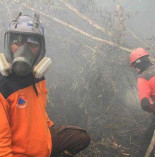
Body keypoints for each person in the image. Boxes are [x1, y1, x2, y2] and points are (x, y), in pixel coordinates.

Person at [0, 13, 90, 157]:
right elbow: (1, 146)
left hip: (41, 143)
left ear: (40, 48)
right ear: (8, 45)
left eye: (32, 45)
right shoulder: (3, 87)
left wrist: (49, 127)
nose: (24, 50)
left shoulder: (38, 77)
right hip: (21, 152)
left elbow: (38, 109)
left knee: (80, 138)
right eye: (17, 43)